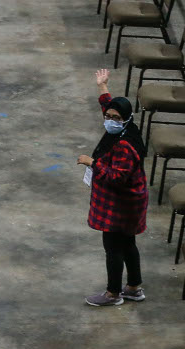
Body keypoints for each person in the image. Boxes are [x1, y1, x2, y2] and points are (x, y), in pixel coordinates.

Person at [77, 68, 147, 307]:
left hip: (121, 204)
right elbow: (108, 106)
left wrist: (93, 162)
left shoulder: (124, 146)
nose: (110, 120)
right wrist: (102, 86)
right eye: (109, 116)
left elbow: (116, 177)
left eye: (116, 118)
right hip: (127, 201)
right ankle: (134, 287)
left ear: (126, 119)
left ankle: (113, 293)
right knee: (128, 243)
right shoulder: (123, 129)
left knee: (113, 247)